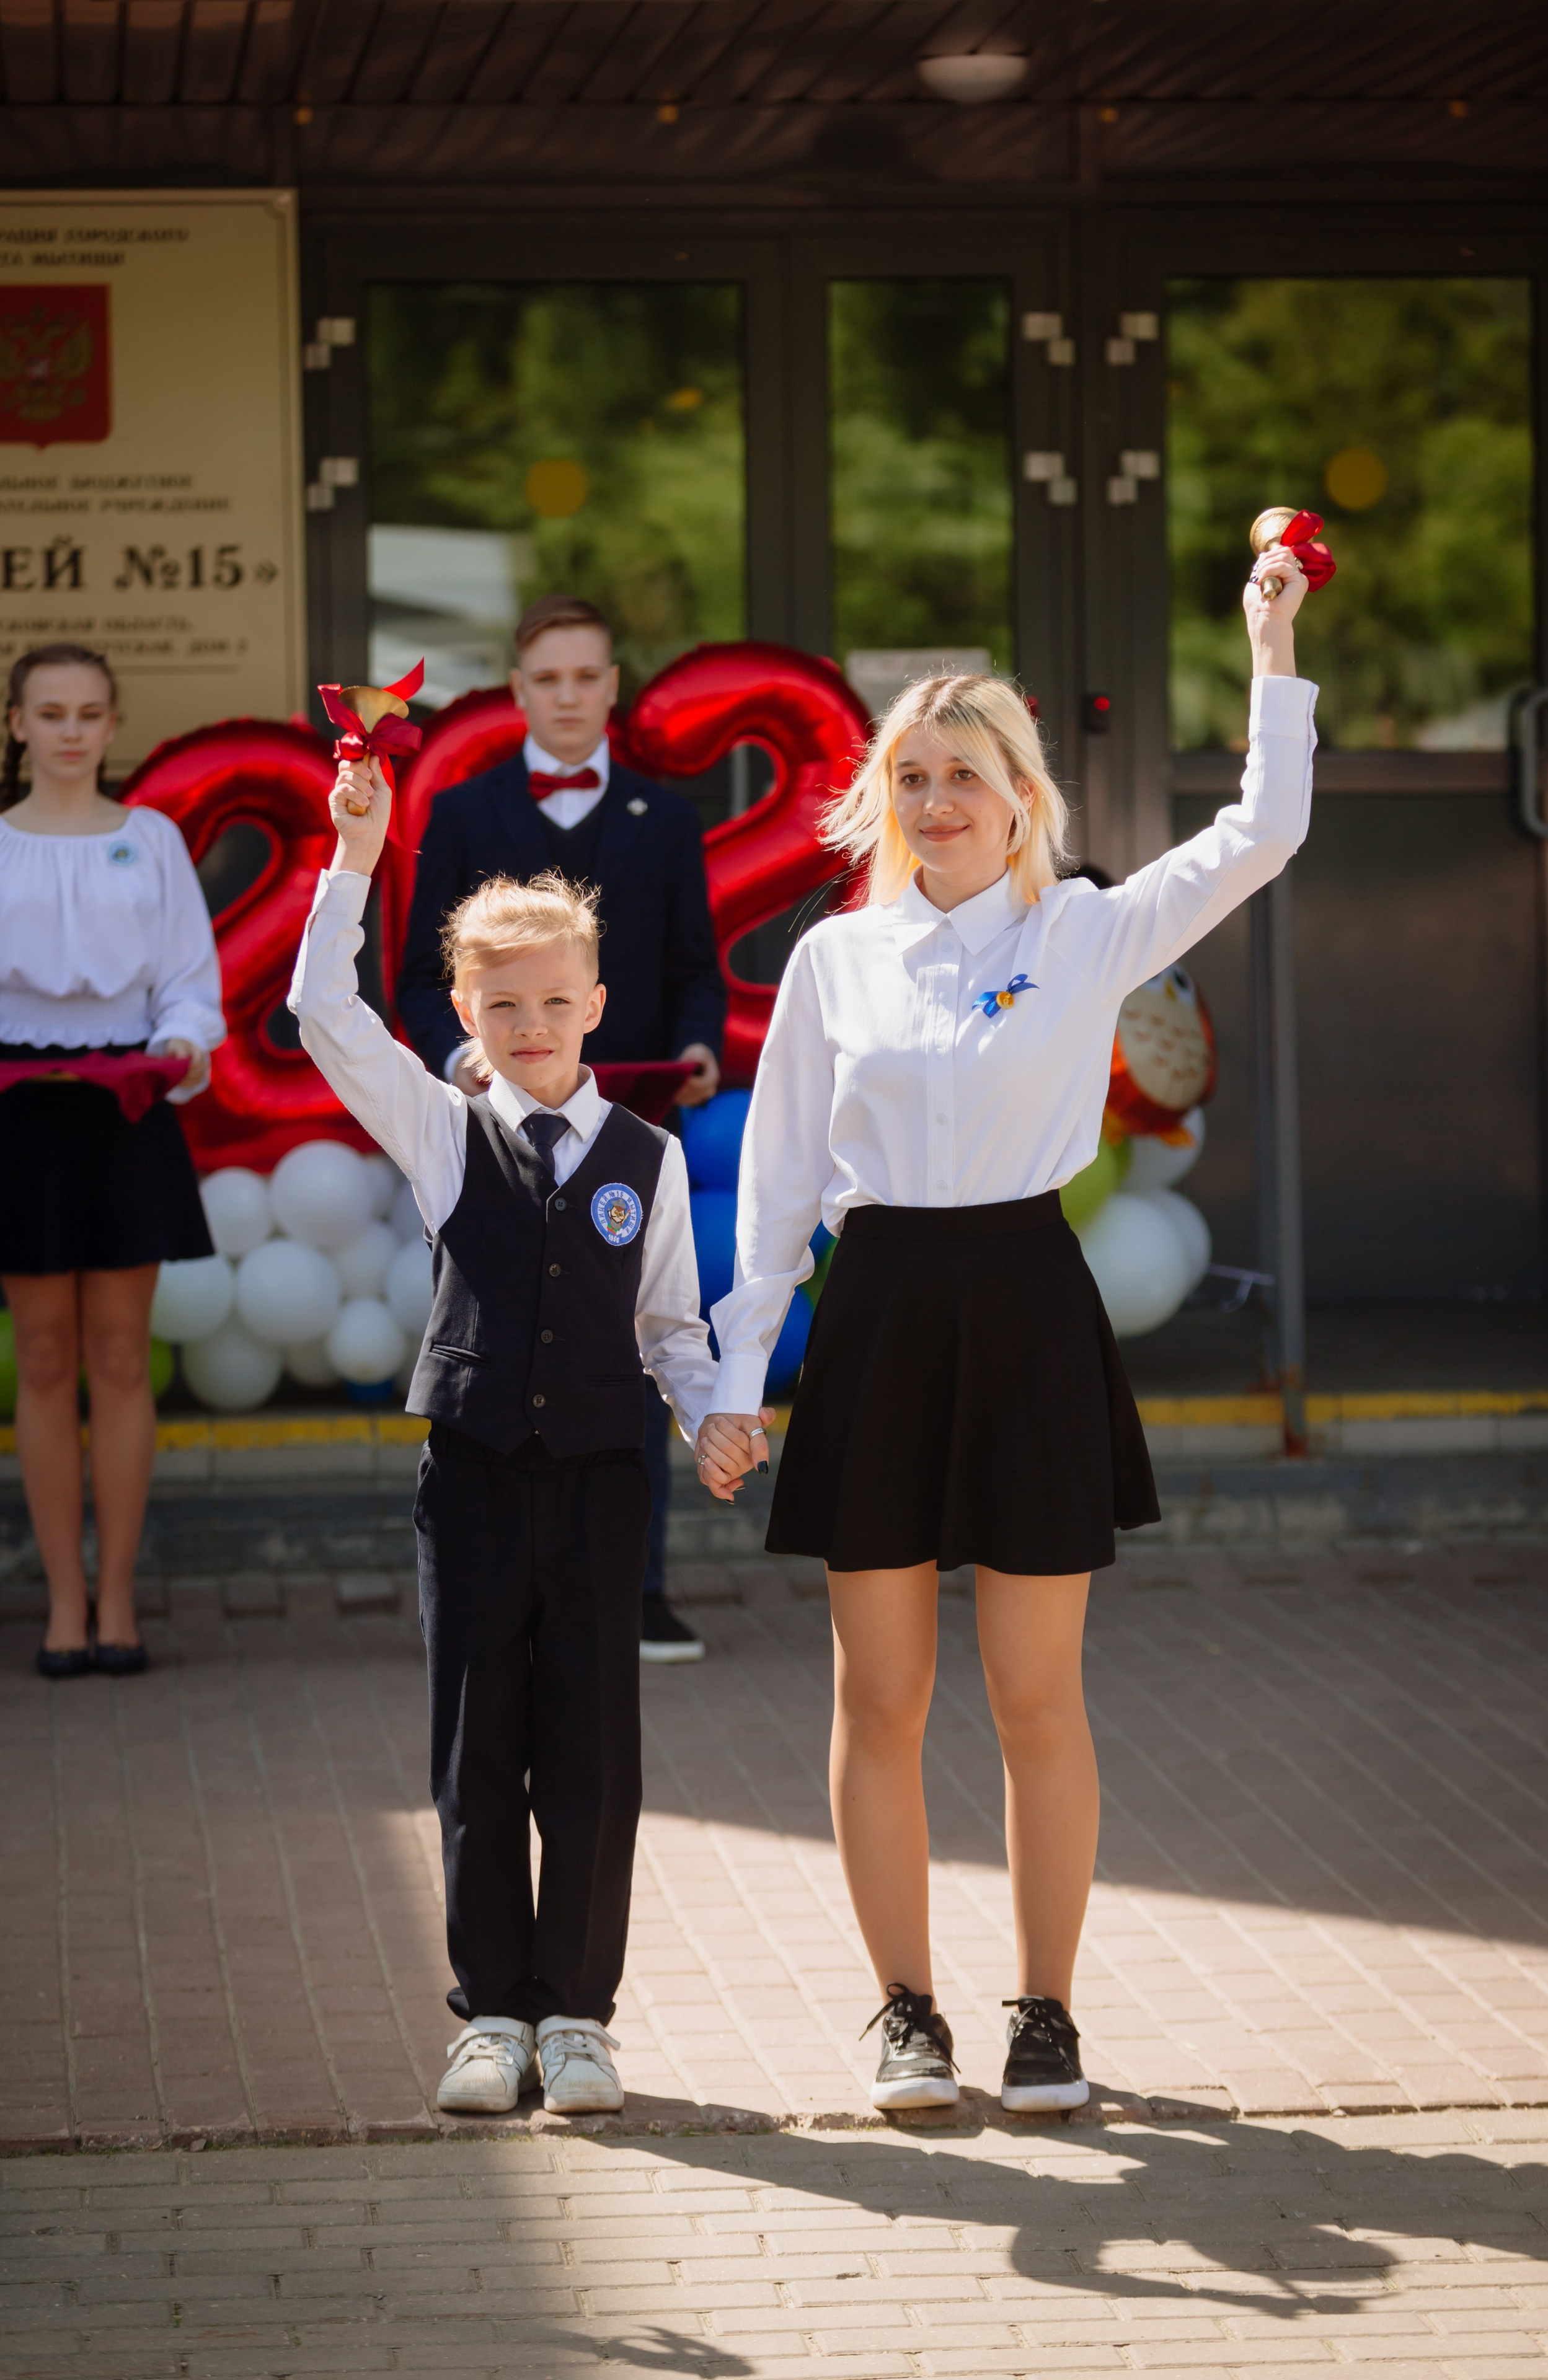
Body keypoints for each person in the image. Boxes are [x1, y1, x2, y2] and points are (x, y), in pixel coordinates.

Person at [698, 549, 1316, 2113]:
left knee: (1038, 1698)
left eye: (961, 773)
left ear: (1020, 793)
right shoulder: (835, 959)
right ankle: (904, 2011)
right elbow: (775, 1193)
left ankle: (1046, 2013)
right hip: (882, 1312)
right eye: (908, 777)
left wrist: (1266, 649)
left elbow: (1264, 831)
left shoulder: (1089, 928)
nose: (933, 801)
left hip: (1032, 1310)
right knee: (878, 1697)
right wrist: (735, 1380)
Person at [292, 747, 761, 2118]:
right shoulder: (443, 1136)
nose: (535, 1023)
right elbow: (325, 1011)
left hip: (604, 1484)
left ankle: (579, 2016)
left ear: (598, 1003)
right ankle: (492, 2013)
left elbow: (672, 1327)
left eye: (559, 999)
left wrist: (714, 1417)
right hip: (479, 1478)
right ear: (467, 1011)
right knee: (474, 1745)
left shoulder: (648, 1159)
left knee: (593, 1751)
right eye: (506, 1004)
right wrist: (356, 853)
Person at [397, 593, 727, 1665]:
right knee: (503, 1347)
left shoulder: (667, 819)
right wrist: (468, 1067)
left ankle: (638, 1590)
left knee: (631, 1343)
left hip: (622, 1124)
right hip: (499, 1131)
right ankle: (494, 1593)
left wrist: (699, 1044)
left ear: (613, 687)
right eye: (549, 679)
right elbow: (413, 982)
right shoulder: (462, 811)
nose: (570, 696)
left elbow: (691, 967)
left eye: (588, 677)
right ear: (518, 689)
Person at [0, 643, 224, 1681]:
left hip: (126, 1100)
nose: (72, 730)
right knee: (44, 1358)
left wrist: (182, 1042)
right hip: (17, 1112)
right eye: (51, 713)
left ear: (112, 723)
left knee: (122, 1357)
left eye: (90, 712)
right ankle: (62, 1605)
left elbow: (188, 979)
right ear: (17, 726)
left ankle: (121, 1602)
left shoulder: (154, 840)